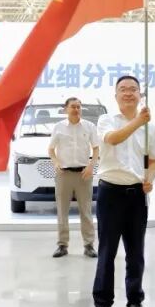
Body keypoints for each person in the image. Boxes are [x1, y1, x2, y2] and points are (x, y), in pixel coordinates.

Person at [92, 75, 155, 307]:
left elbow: (154, 161)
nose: (128, 93)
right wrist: (138, 121)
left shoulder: (150, 128)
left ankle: (135, 301)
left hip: (137, 196)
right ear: (116, 95)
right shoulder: (106, 120)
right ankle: (102, 304)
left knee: (136, 252)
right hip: (110, 193)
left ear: (140, 94)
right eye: (123, 89)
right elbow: (113, 139)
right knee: (107, 252)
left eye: (133, 89)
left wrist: (150, 178)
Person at [48, 97, 100, 258]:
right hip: (64, 174)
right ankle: (62, 245)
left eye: (78, 107)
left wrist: (91, 166)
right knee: (62, 210)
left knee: (86, 211)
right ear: (66, 109)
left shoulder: (89, 126)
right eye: (73, 107)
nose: (76, 109)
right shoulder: (58, 127)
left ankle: (89, 245)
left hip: (84, 174)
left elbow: (96, 148)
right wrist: (56, 162)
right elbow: (51, 149)